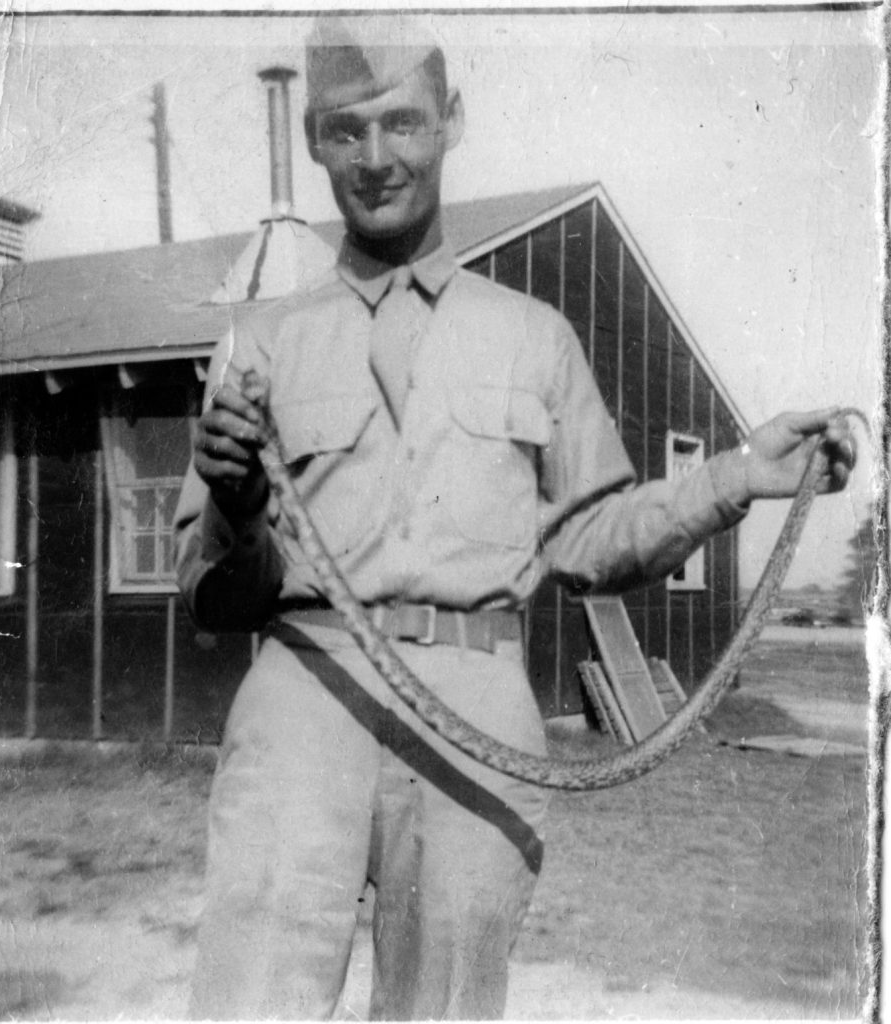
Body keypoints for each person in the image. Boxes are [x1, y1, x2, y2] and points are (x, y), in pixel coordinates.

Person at [174, 15, 855, 1020]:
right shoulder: (259, 344)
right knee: (251, 997)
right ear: (315, 140)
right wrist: (236, 506)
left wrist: (739, 476)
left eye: (402, 122)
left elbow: (590, 540)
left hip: (476, 698)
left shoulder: (533, 337)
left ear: (450, 120)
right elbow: (212, 597)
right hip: (304, 693)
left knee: (448, 1003)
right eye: (346, 130)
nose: (375, 158)